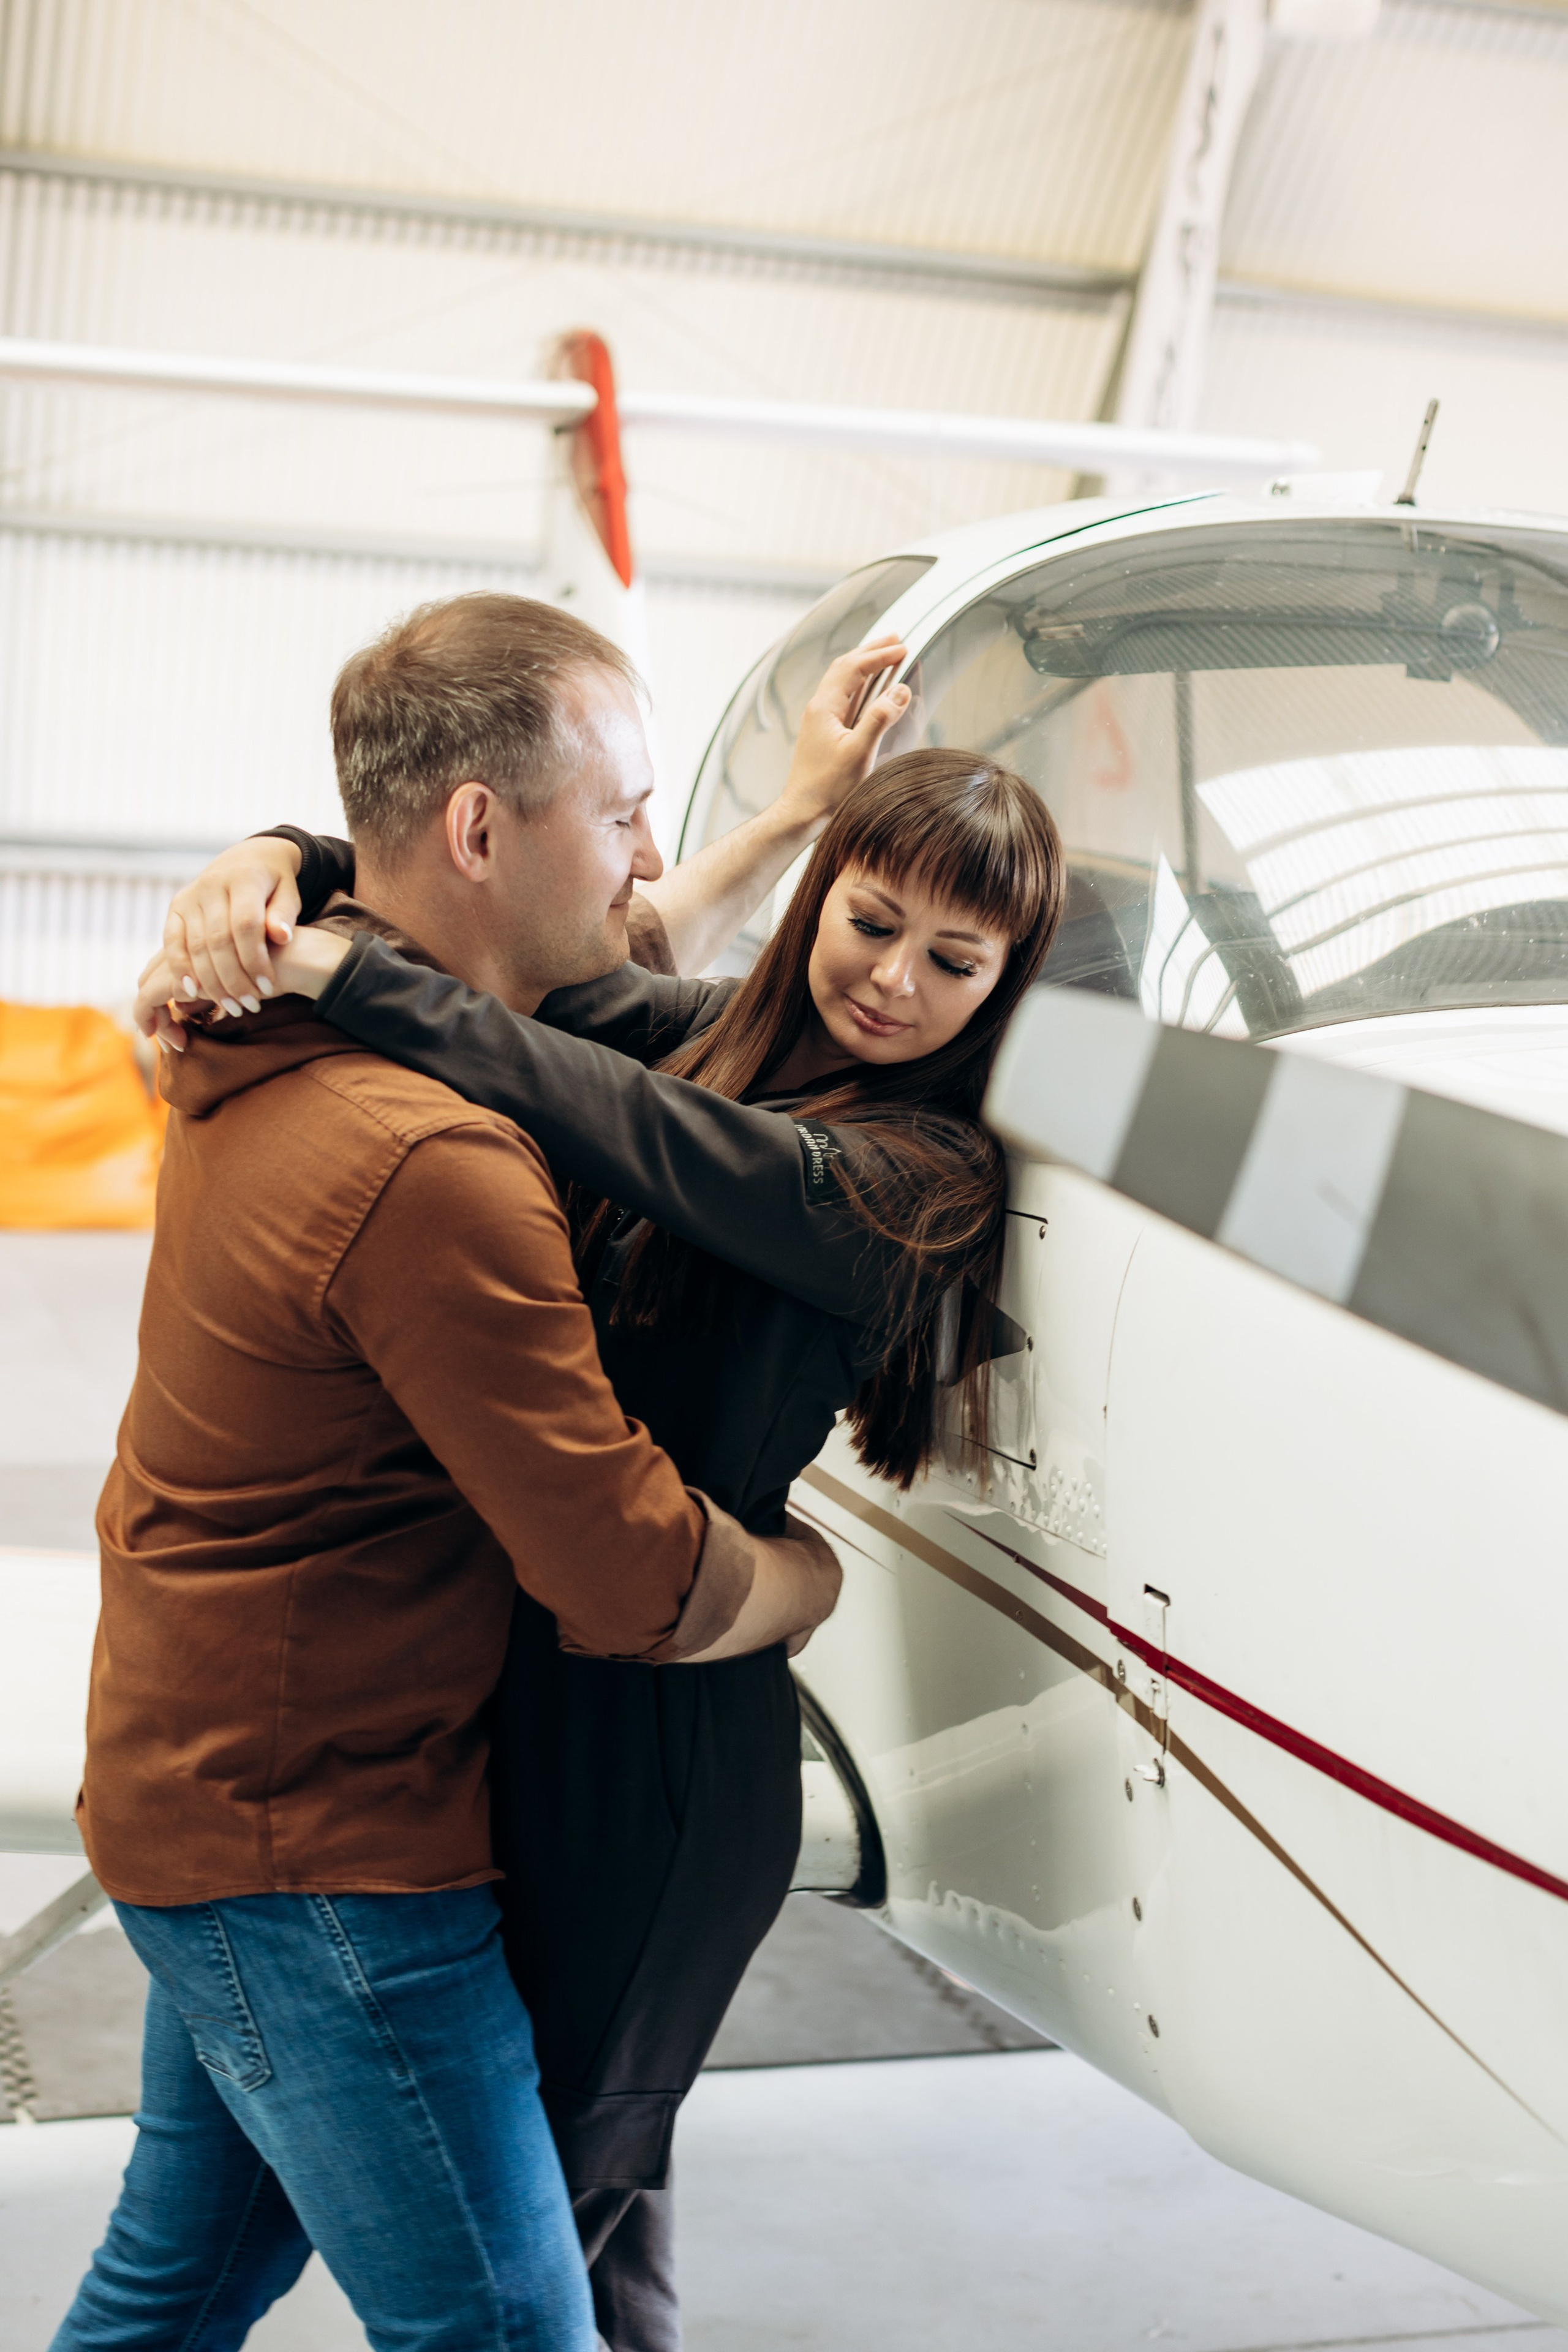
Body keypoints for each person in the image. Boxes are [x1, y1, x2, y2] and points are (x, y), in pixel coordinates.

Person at [143, 697, 1066, 2350]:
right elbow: (497, 929)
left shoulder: (922, 1173)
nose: (894, 984)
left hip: (658, 1747)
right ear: (823, 895)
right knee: (572, 2250)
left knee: (556, 2237)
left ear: (1002, 989)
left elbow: (624, 1118)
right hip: (508, 1690)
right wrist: (281, 864)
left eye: (956, 963)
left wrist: (339, 974)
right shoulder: (703, 1030)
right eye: (872, 923)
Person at [57, 594, 846, 2352]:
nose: (652, 856)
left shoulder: (278, 1022)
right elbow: (630, 1581)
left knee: (176, 2287)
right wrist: (810, 1578)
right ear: (480, 831)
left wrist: (797, 814)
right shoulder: (427, 1159)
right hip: (320, 1860)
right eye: (624, 811)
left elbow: (598, 966)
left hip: (208, 1787)